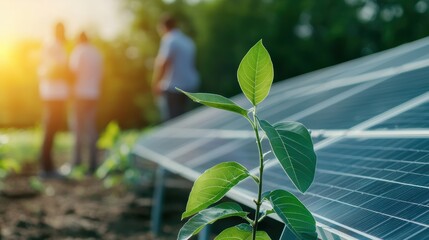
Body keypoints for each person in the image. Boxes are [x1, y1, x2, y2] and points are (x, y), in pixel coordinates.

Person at [37, 22, 71, 178]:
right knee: (50, 129)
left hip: (55, 94)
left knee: (52, 129)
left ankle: (48, 165)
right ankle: (46, 167)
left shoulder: (55, 45)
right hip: (53, 94)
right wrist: (67, 73)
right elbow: (52, 70)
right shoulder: (54, 46)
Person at [152, 14, 199, 121]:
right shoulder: (188, 41)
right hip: (190, 86)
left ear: (163, 27)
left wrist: (156, 84)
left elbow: (163, 63)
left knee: (173, 122)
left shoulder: (169, 39)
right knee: (187, 120)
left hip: (173, 88)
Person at [69, 31, 103, 174]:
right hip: (93, 94)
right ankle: (93, 164)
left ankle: (76, 163)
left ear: (78, 39)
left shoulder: (78, 51)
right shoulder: (96, 53)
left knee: (77, 128)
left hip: (79, 94)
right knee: (91, 129)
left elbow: (72, 72)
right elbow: (101, 75)